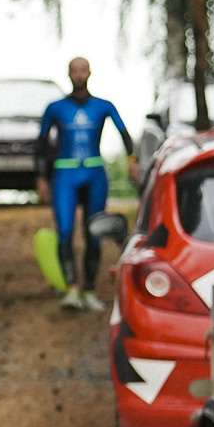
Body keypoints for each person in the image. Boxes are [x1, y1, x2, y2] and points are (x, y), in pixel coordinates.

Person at [34, 58, 129, 311]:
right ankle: (72, 289)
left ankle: (89, 289)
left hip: (94, 172)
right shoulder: (55, 108)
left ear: (89, 73)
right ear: (69, 74)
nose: (78, 75)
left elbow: (124, 133)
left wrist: (132, 160)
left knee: (94, 232)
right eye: (74, 71)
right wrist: (41, 177)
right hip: (64, 173)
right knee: (65, 231)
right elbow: (41, 143)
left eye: (82, 70)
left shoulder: (103, 106)